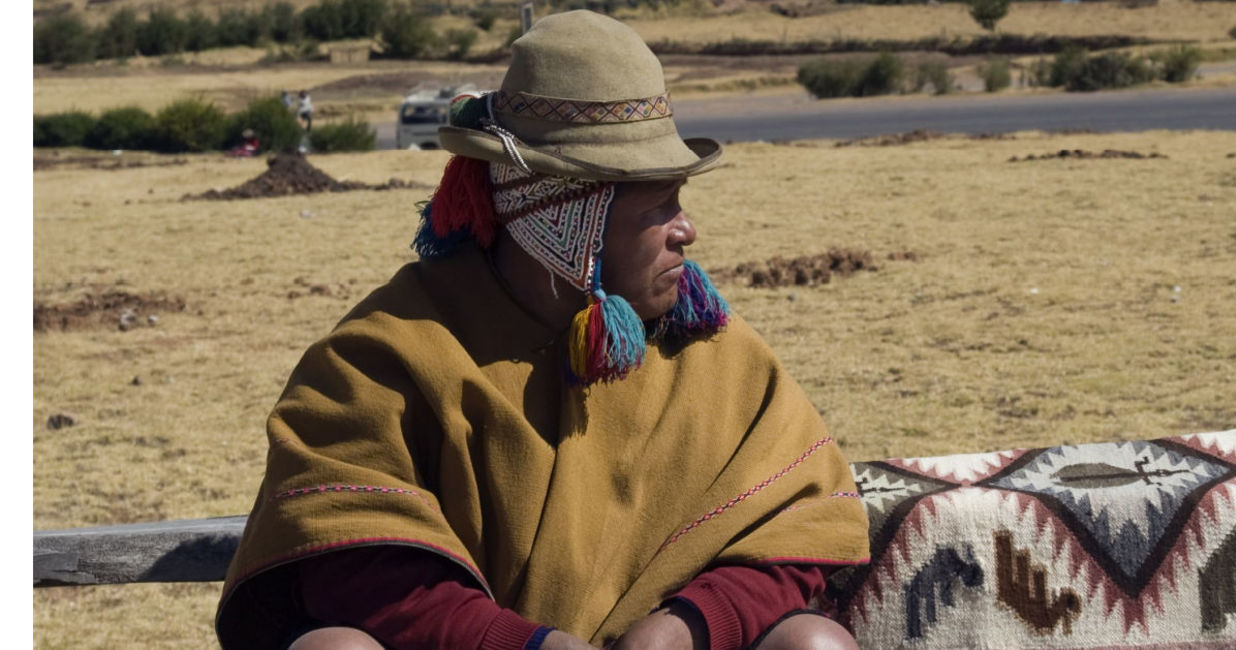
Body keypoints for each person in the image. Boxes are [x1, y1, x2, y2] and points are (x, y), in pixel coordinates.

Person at [216, 11, 869, 650]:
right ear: (565, 220)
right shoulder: (384, 355)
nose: (686, 229)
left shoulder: (711, 351)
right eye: (659, 204)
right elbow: (356, 569)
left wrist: (686, 628)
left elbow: (798, 526)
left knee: (815, 641)